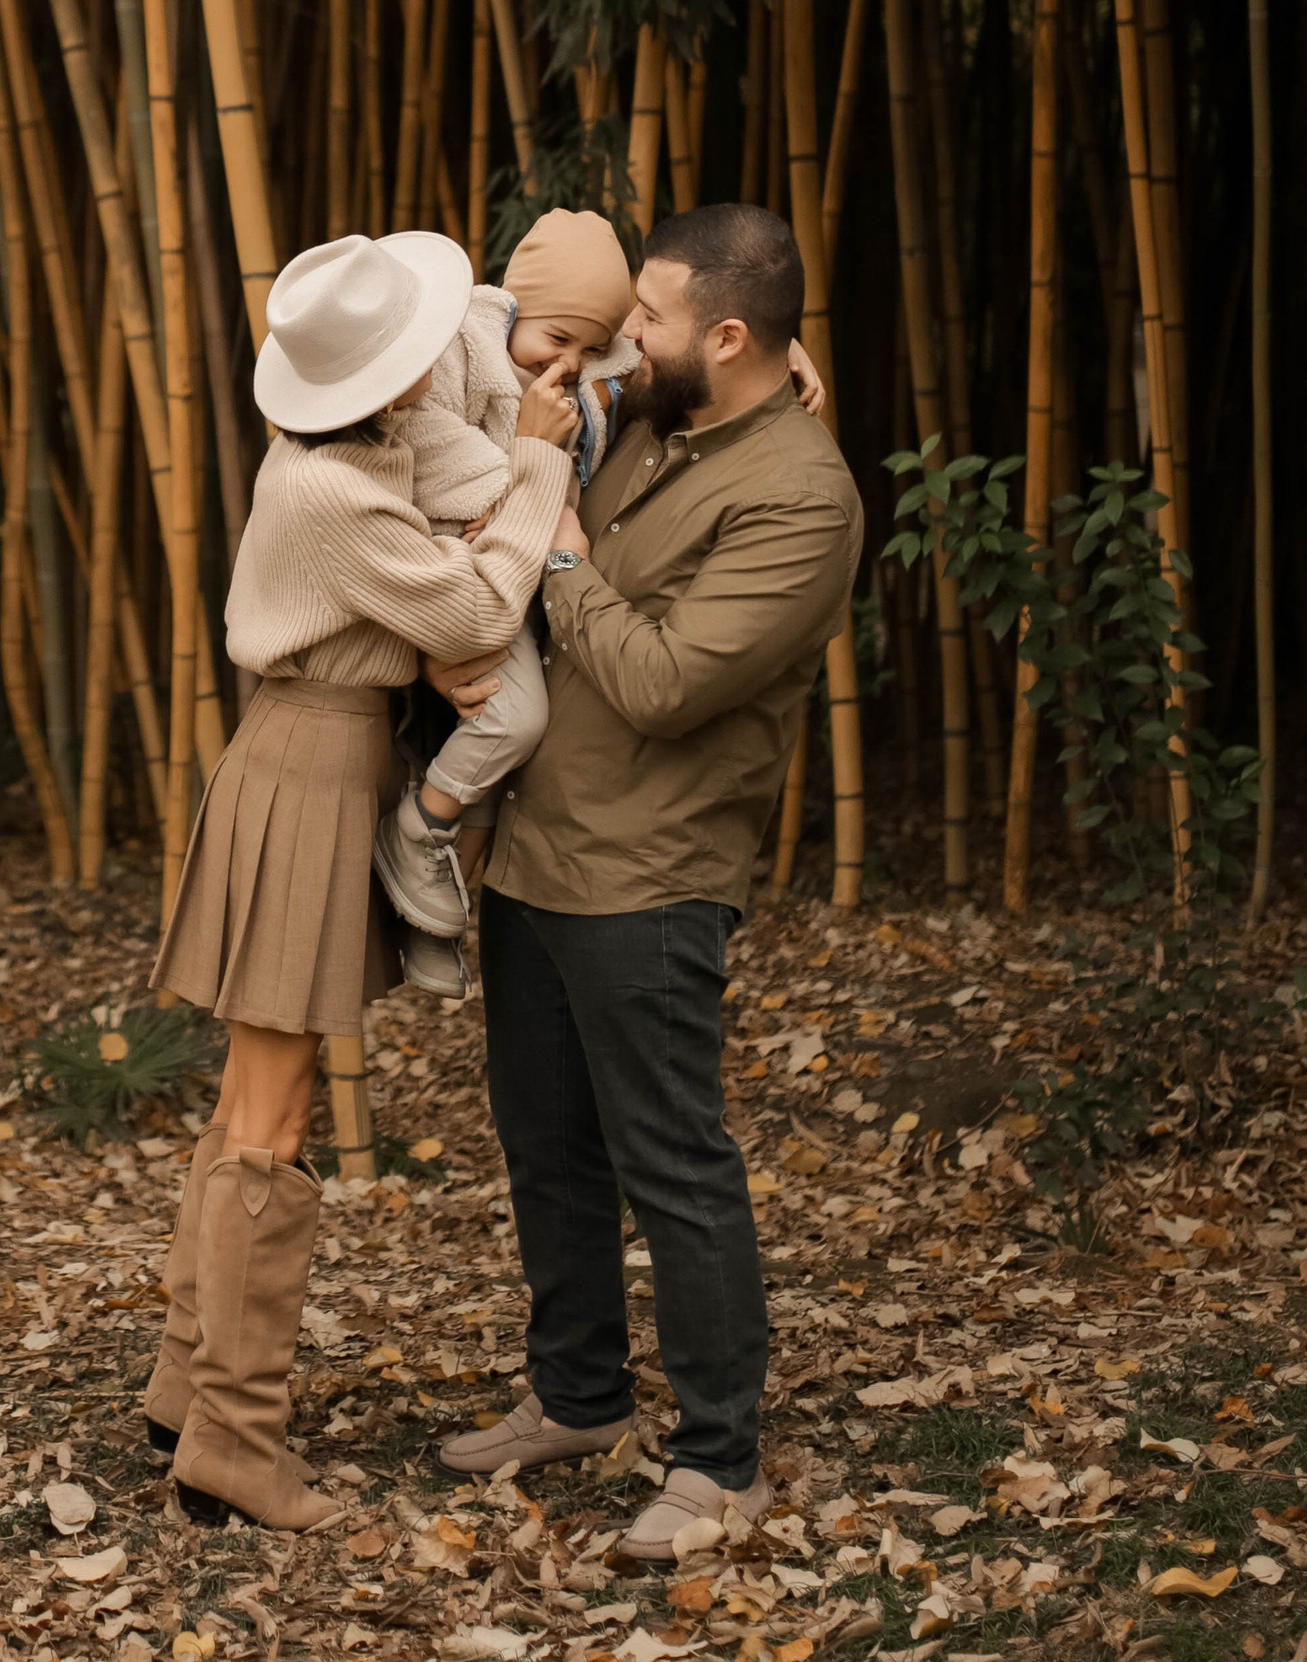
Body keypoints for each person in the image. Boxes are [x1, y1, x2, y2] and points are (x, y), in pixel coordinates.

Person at [428, 201, 862, 1570]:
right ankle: (579, 1397)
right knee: (546, 1147)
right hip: (539, 853)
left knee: (672, 1165)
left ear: (725, 337)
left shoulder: (800, 496)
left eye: (652, 321)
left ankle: (720, 1463)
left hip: (651, 876)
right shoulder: (659, 417)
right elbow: (469, 332)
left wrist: (557, 543)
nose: (625, 339)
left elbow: (666, 684)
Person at [140, 229, 575, 1532]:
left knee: (247, 1102)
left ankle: (185, 1390)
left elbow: (417, 600)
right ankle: (234, 1445)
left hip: (308, 759)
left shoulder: (343, 453)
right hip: (308, 779)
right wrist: (537, 464)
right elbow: (477, 617)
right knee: (272, 1123)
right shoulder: (333, 485)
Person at [370, 208, 641, 994]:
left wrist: (785, 345)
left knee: (495, 781)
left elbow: (677, 338)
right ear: (518, 305)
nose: (571, 362)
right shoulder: (460, 347)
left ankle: (432, 923)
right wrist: (523, 480)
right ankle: (416, 829)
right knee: (514, 720)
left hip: (529, 581)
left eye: (590, 348)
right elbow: (430, 450)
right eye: (558, 338)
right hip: (463, 576)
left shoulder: (589, 372)